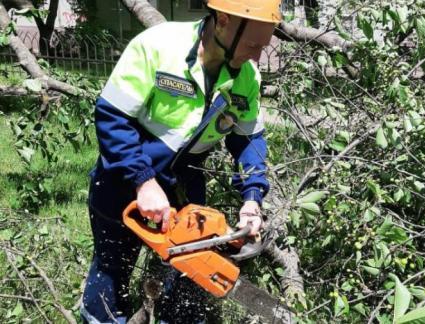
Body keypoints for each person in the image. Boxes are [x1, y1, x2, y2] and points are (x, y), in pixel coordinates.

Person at [80, 0, 282, 322]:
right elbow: (112, 117)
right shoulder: (158, 46)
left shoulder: (248, 77)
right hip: (123, 178)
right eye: (253, 44)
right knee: (111, 269)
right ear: (224, 20)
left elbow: (248, 141)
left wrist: (252, 199)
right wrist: (143, 182)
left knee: (190, 277)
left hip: (185, 187)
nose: (257, 55)